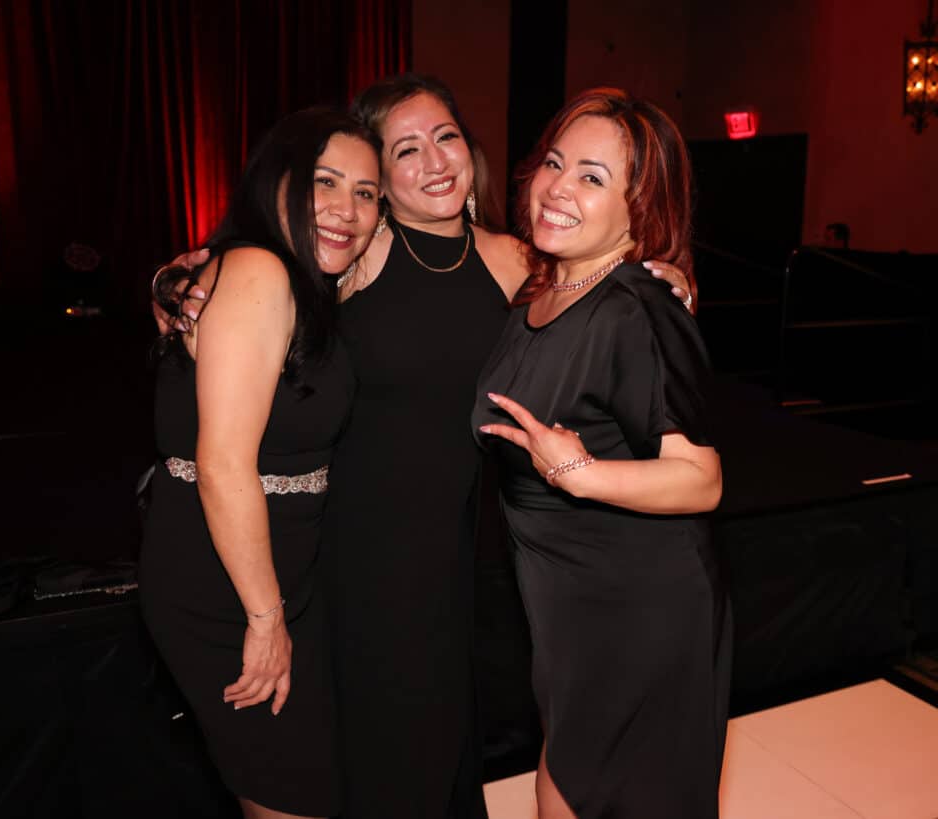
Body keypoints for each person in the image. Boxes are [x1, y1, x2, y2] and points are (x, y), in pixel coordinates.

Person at [153, 73, 695, 819]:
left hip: (448, 550)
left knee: (432, 734)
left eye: (445, 137)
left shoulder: (519, 260)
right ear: (380, 177)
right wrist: (176, 278)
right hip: (340, 550)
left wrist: (659, 275)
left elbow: (600, 280)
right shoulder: (353, 250)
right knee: (352, 748)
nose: (434, 161)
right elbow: (247, 275)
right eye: (405, 150)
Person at [473, 88, 731, 818]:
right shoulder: (541, 284)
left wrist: (578, 472)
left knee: (592, 792)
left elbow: (702, 479)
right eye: (556, 163)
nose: (559, 187)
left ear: (639, 207)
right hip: (567, 603)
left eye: (593, 177)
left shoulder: (635, 309)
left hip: (639, 605)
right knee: (570, 778)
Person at [139, 108, 381, 819]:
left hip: (273, 575)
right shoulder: (258, 270)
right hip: (226, 586)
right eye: (325, 182)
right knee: (290, 794)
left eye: (366, 193)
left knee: (295, 786)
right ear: (277, 181)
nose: (347, 208)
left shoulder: (301, 277)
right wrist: (266, 619)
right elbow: (221, 465)